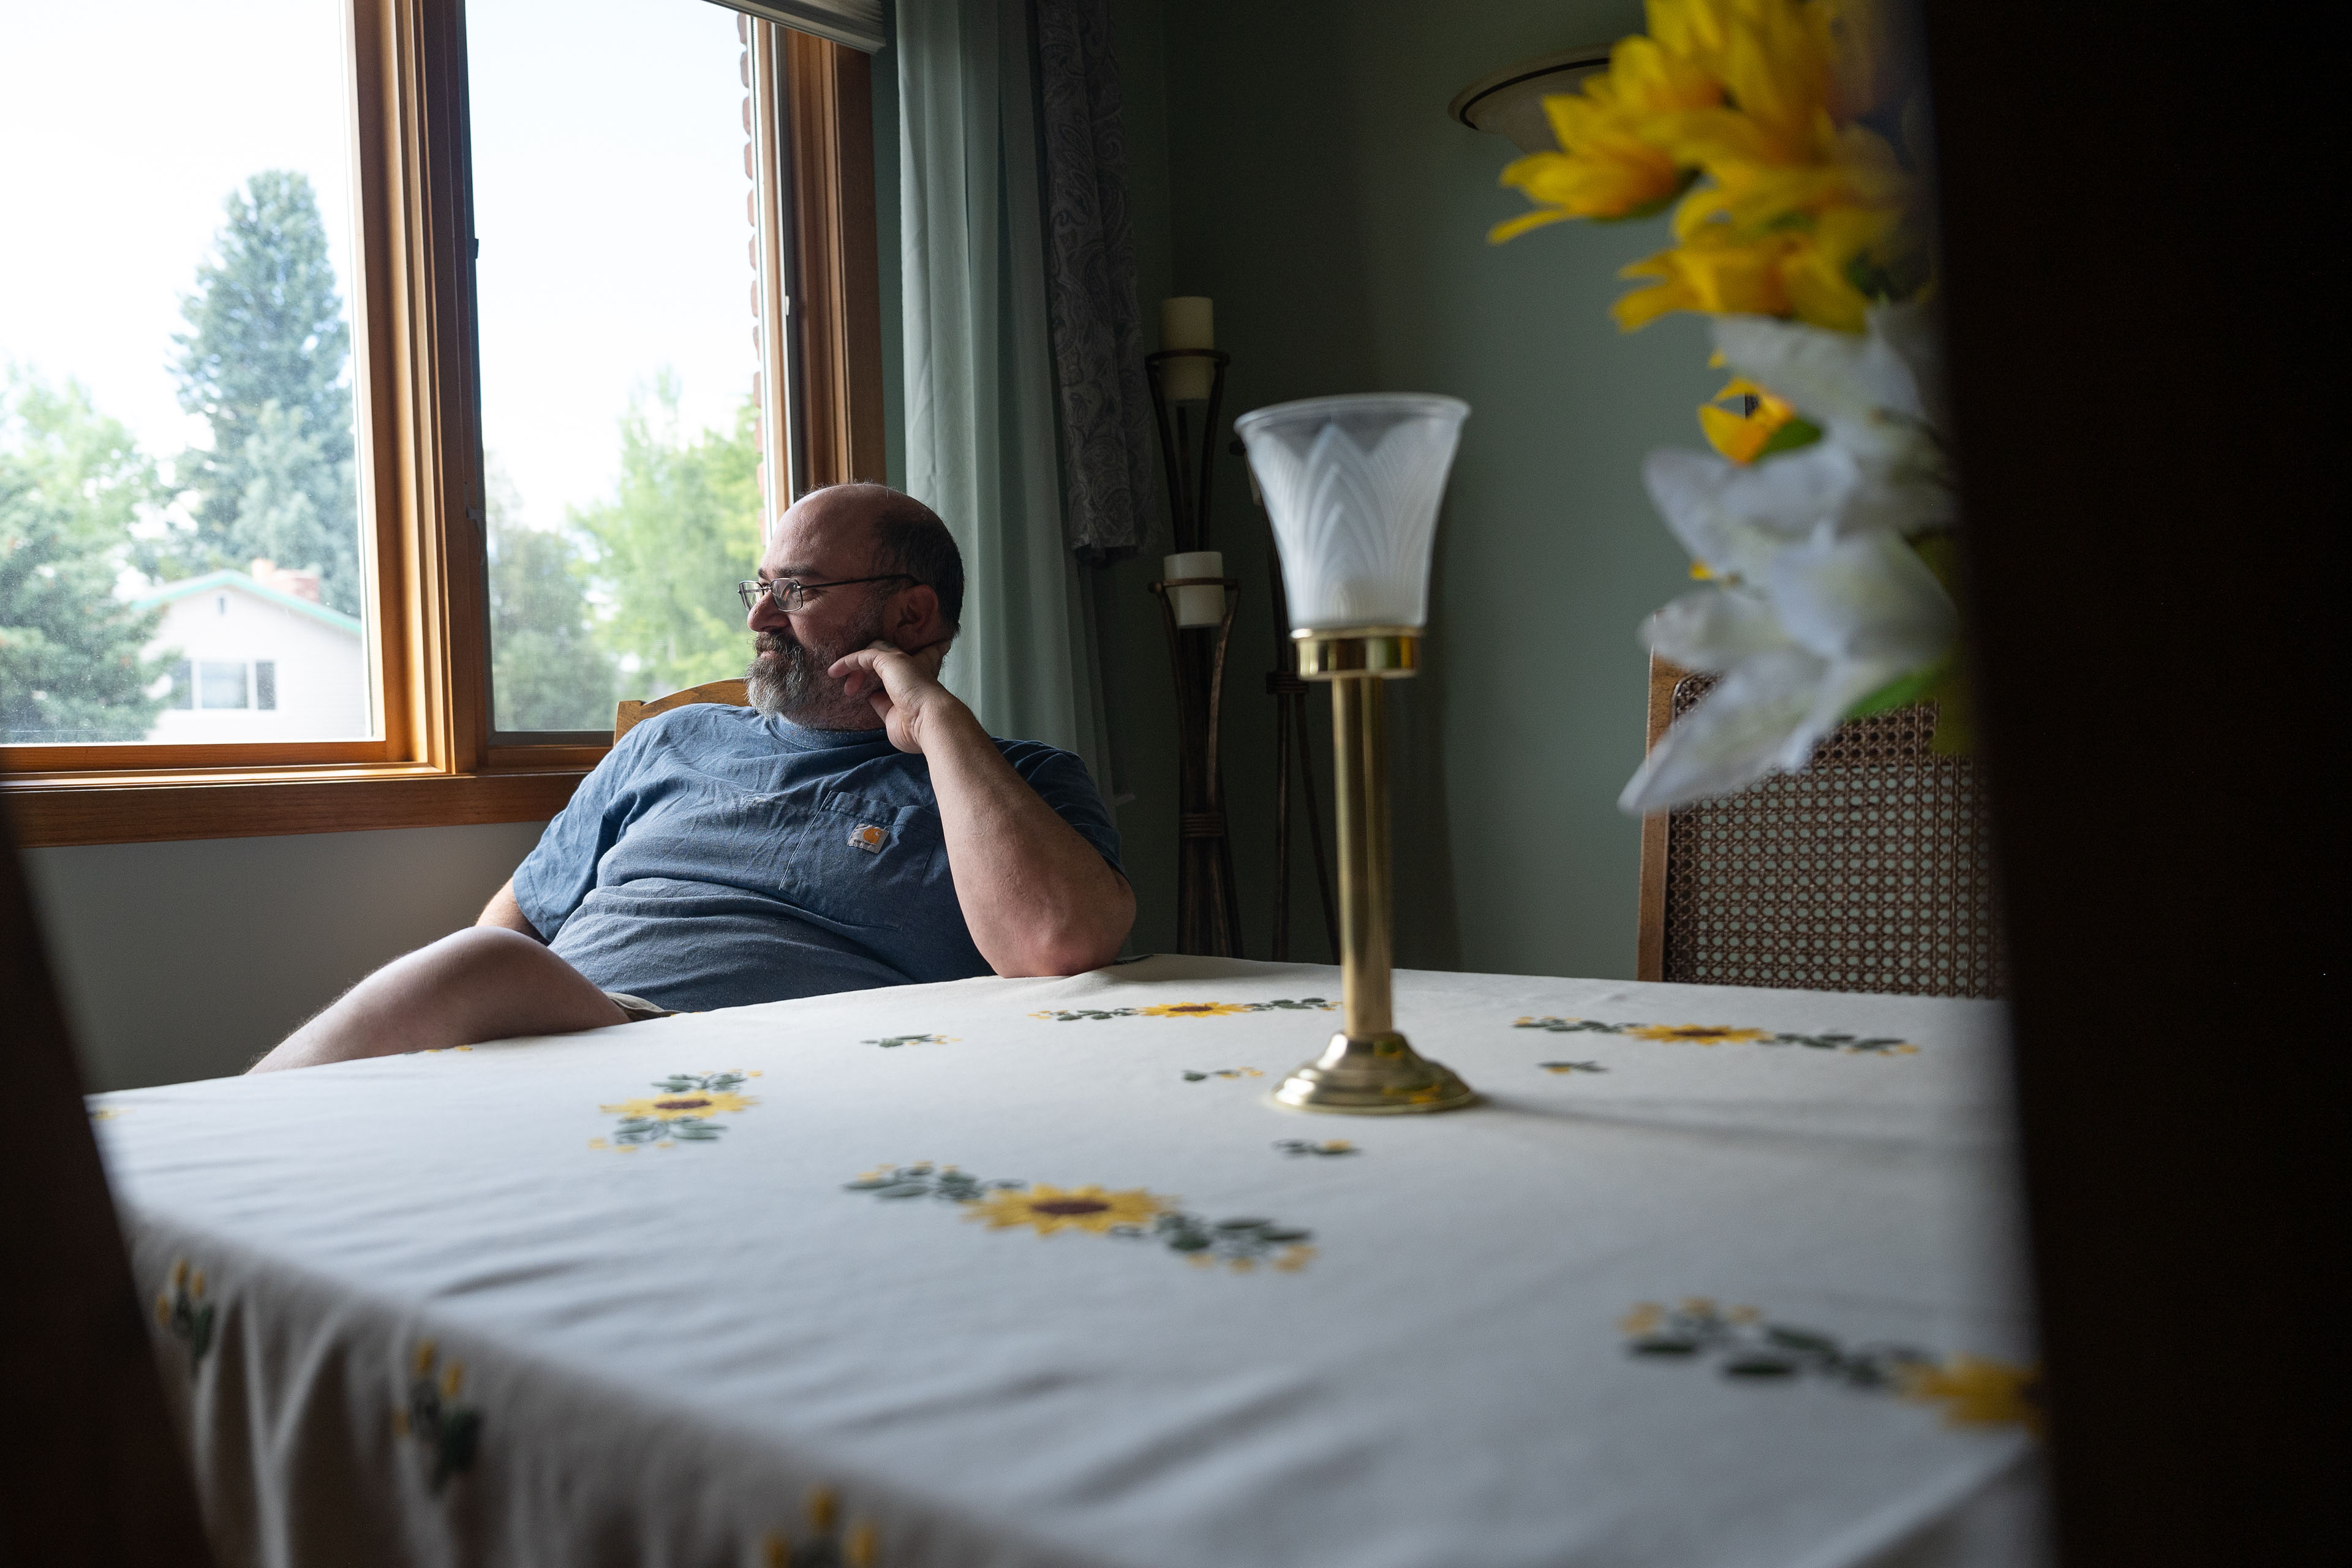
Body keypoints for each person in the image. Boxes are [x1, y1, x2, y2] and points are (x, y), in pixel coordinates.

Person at [250, 483, 1133, 1072]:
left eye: (793, 591)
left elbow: (1055, 944)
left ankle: (201, 1150)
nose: (758, 615)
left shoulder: (1013, 784)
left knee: (476, 968)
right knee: (482, 964)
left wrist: (933, 719)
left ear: (908, 614)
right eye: (759, 587)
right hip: (571, 1042)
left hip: (744, 1063)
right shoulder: (672, 743)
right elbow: (515, 928)